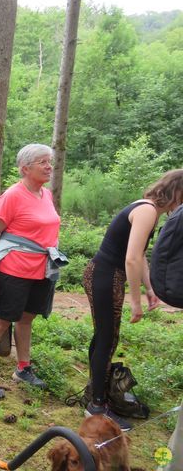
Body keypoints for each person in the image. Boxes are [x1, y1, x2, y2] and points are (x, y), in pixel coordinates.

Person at [83, 169, 183, 431]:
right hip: (106, 276)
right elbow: (132, 258)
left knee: (104, 337)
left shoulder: (149, 210)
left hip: (106, 275)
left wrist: (151, 288)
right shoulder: (148, 211)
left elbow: (141, 257)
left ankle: (95, 393)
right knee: (107, 339)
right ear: (177, 193)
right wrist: (135, 301)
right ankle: (96, 407)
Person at [0, 144, 60, 400]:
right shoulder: (12, 196)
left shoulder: (46, 194)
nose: (48, 166)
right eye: (42, 162)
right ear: (25, 168)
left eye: (49, 161)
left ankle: (23, 368)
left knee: (26, 319)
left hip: (42, 268)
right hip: (14, 270)